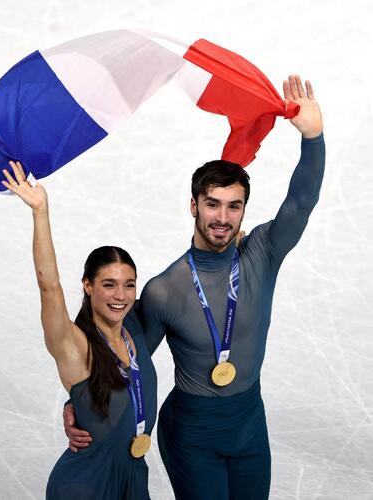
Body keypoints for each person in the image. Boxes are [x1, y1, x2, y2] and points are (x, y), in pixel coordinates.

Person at [64, 74, 325, 499]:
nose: (222, 218)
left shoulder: (262, 254)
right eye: (212, 204)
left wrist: (313, 137)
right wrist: (78, 403)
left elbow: (301, 203)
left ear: (244, 210)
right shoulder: (165, 290)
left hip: (249, 427)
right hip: (192, 433)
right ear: (194, 206)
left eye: (233, 206)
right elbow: (126, 360)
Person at [1, 163, 157, 500]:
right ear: (88, 286)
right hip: (86, 485)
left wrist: (232, 245)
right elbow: (49, 287)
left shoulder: (135, 329)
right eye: (109, 285)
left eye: (129, 285)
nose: (120, 295)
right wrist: (40, 212)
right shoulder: (75, 346)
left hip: (133, 478)